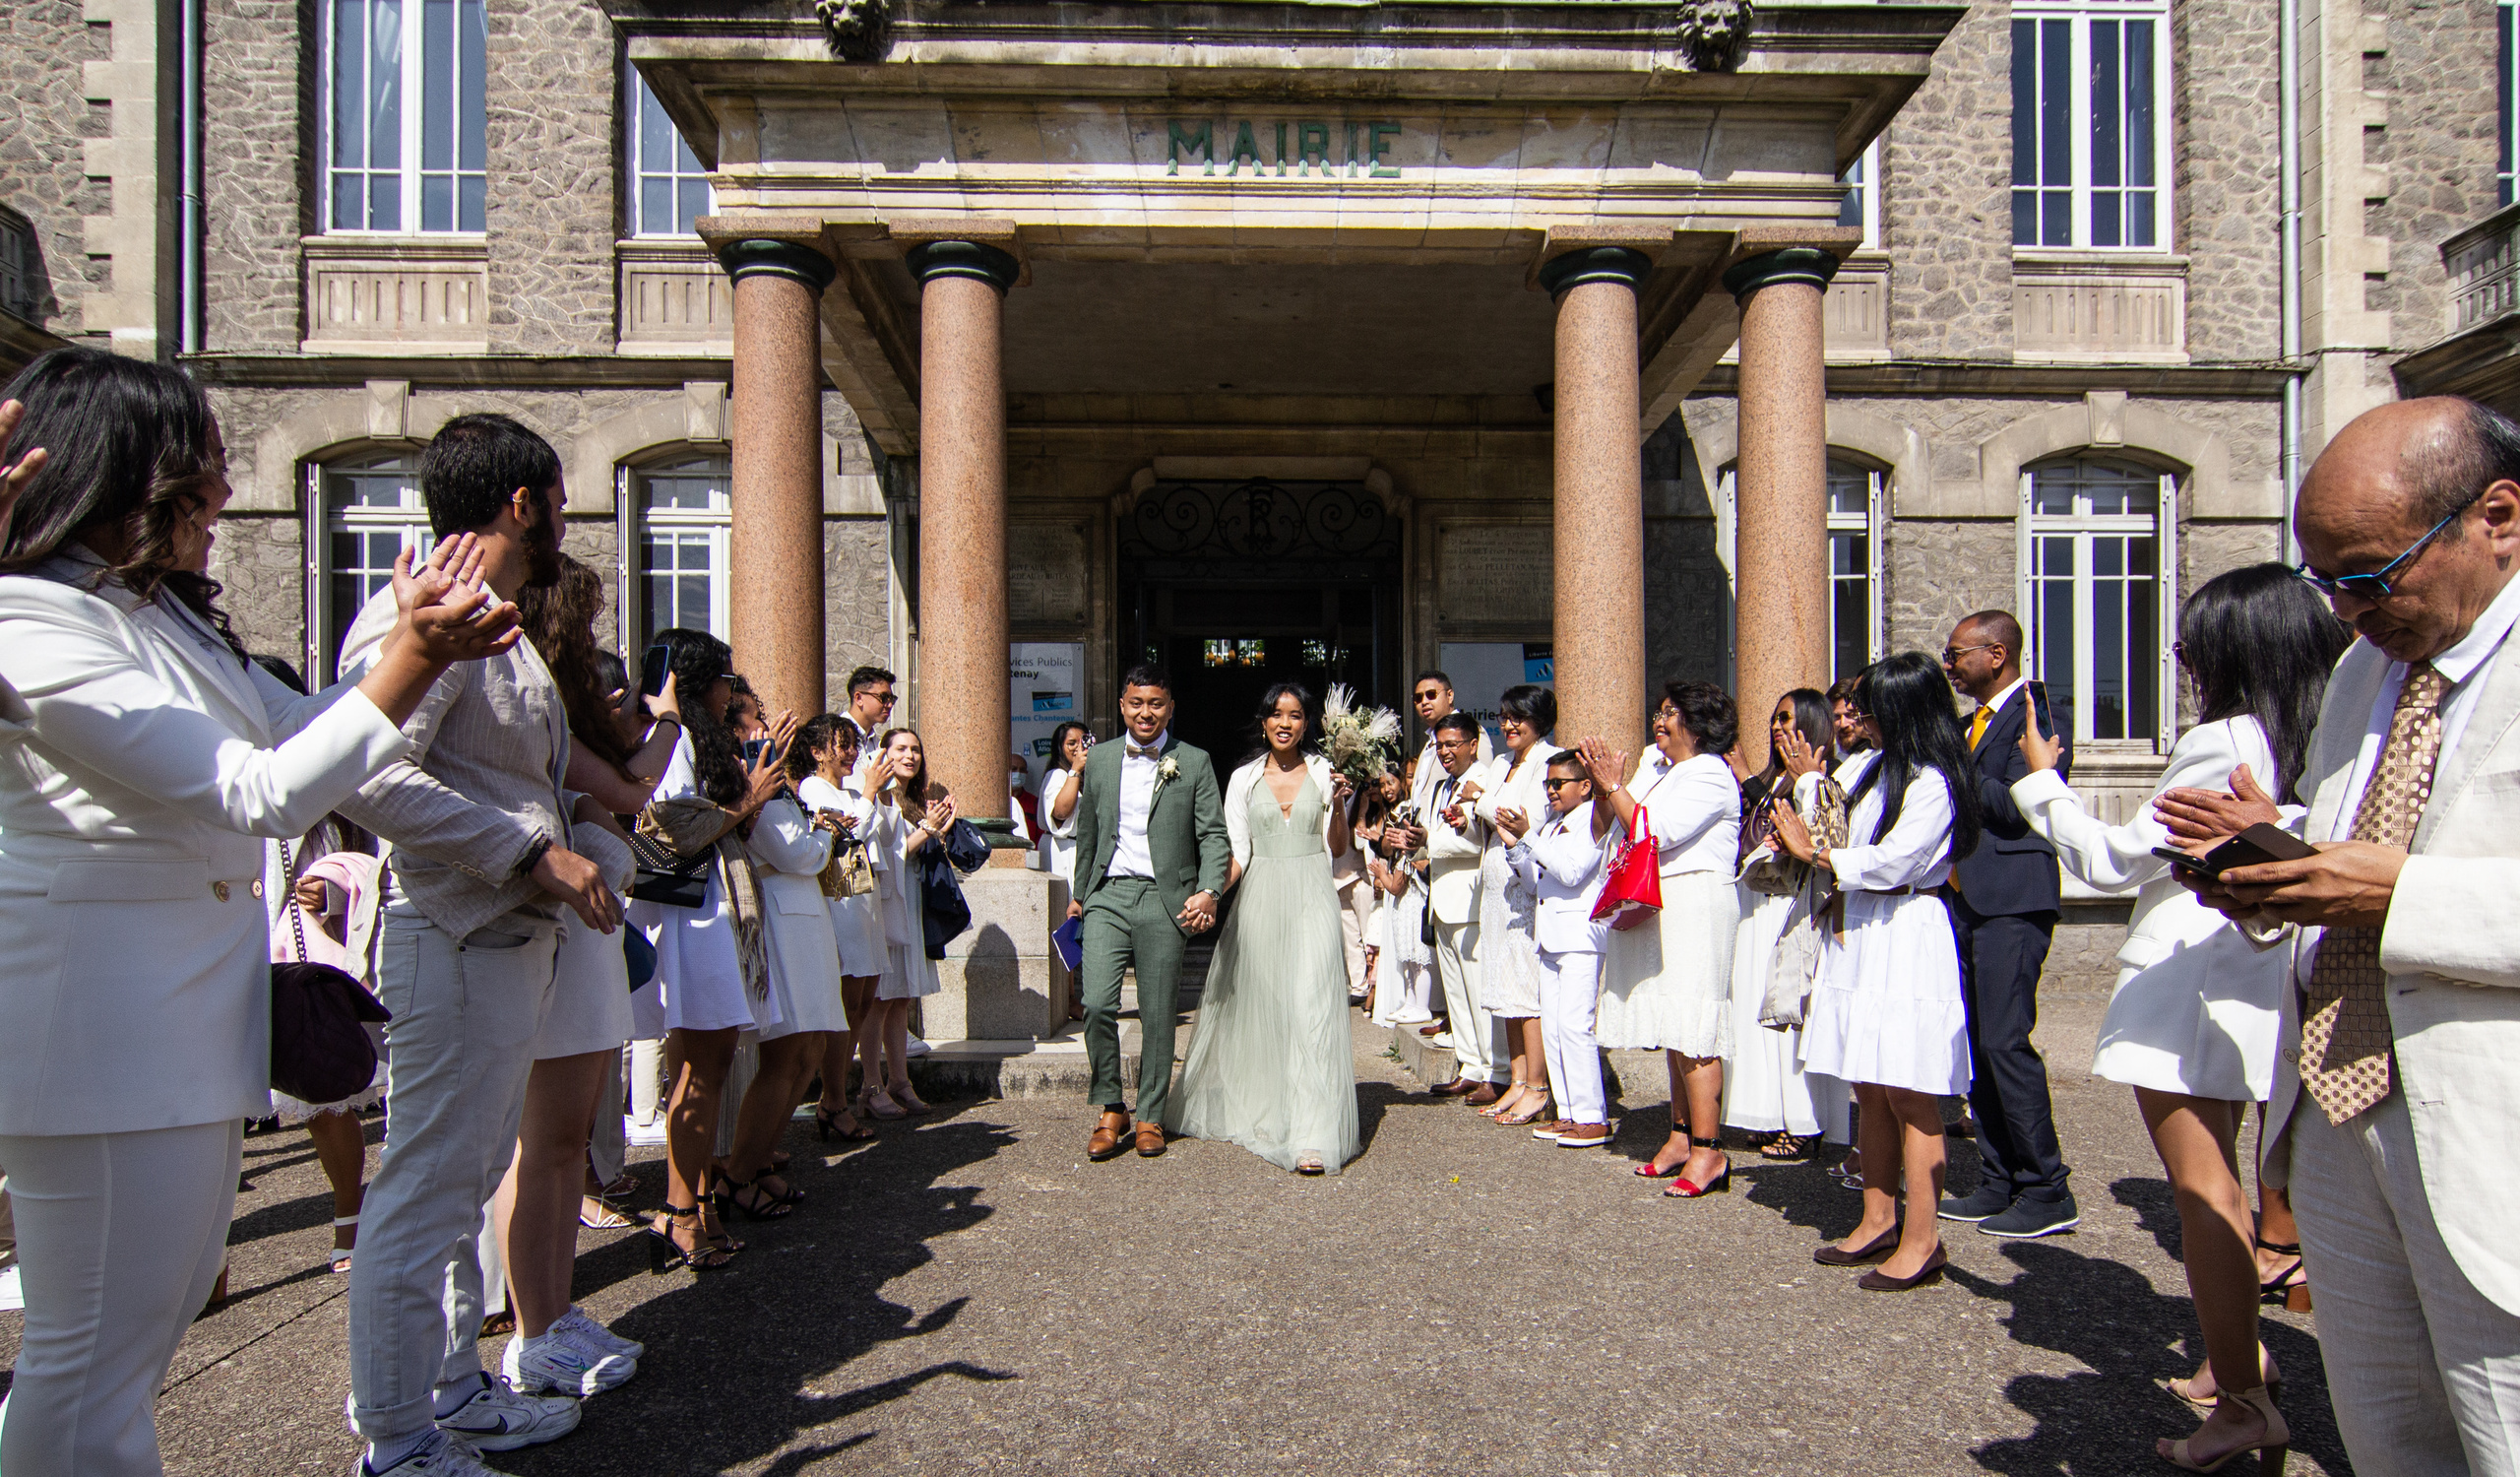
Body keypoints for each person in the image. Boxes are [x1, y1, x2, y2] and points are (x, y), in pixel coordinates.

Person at [0, 352, 518, 1477]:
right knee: (89, 1359)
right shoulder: (29, 616)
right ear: (120, 476)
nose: (225, 497)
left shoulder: (159, 618)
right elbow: (257, 790)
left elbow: (310, 729)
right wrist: (415, 655)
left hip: (173, 1028)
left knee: (153, 1315)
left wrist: (409, 654)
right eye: (202, 472)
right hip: (97, 1035)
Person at [2166, 397, 2520, 1477]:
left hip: (2485, 1136)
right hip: (2339, 1111)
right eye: (2324, 582)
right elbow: (2355, 835)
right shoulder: (2372, 667)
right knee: (2393, 1444)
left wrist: (2398, 897)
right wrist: (2272, 864)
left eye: (2368, 575)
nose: (2344, 612)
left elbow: (2399, 877)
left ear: (2496, 517)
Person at [329, 414, 642, 1475]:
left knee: (459, 1186)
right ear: (524, 501)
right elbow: (368, 773)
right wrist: (533, 856)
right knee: (423, 1192)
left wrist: (586, 834)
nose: (564, 519)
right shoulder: (421, 612)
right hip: (451, 935)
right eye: (557, 497)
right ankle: (396, 1430)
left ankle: (455, 1389)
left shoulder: (488, 615)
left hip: (501, 942)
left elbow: (503, 777)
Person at [2009, 562, 2348, 1468]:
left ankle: (2242, 1399)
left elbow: (2118, 860)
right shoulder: (2329, 728)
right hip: (2271, 974)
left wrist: (2046, 785)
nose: (2183, 658)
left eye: (2191, 643)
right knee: (2244, 1184)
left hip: (2192, 975)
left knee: (2206, 1193)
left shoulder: (2224, 736)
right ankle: (2230, 1356)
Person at [1771, 652, 1982, 1294]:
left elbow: (1894, 860)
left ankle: (1923, 1238)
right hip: (1861, 928)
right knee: (1871, 1087)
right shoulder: (1875, 771)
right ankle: (1877, 1217)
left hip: (1906, 930)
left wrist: (1820, 853)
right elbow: (1845, 837)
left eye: (1873, 705)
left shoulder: (1934, 782)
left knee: (1913, 1093)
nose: (1860, 716)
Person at [1168, 683, 1363, 1175]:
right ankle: (1274, 1111)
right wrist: (1211, 892)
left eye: (1295, 715)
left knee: (1312, 1008)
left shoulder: (1325, 771)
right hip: (1259, 902)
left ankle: (1313, 1133)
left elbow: (1337, 847)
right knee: (1270, 1008)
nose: (1285, 722)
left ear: (1306, 724)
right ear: (1263, 722)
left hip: (1313, 900)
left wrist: (1339, 802)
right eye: (1277, 714)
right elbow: (1239, 851)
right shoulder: (1242, 778)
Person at [1936, 610, 2079, 1240]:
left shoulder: (2037, 712)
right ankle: (1998, 1178)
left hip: (2013, 899)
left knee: (2005, 1040)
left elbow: (2024, 804)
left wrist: (1957, 770)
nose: (1949, 665)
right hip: (1967, 898)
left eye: (1957, 653)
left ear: (1996, 654)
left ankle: (2047, 1188)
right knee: (1979, 1045)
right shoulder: (1970, 727)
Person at [1585, 681, 1744, 1195]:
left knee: (1695, 1028)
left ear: (1699, 726)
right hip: (1664, 904)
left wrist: (1614, 787)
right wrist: (1611, 787)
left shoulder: (1711, 773)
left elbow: (1656, 830)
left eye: (1672, 712)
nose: (1660, 719)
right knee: (1674, 1026)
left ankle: (1709, 1150)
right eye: (1659, 710)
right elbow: (1621, 832)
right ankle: (1679, 1136)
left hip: (1697, 902)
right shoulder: (1665, 771)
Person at [1066, 665, 1230, 1161]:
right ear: (1122, 706)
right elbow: (1089, 833)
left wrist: (1209, 890)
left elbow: (1213, 835)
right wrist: (1080, 893)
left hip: (1165, 899)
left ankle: (1151, 1114)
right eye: (1136, 703)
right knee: (1096, 1003)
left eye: (1156, 703)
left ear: (1170, 707)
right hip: (1107, 896)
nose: (1145, 713)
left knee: (1159, 1012)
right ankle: (1111, 1106)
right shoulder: (1101, 759)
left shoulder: (1194, 761)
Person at [723, 724, 845, 1221]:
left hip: (807, 917)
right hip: (782, 916)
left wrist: (817, 837)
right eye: (752, 720)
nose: (763, 729)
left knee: (811, 1048)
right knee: (787, 1051)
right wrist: (824, 833)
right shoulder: (761, 792)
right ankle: (738, 1174)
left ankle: (763, 1158)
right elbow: (797, 853)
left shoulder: (781, 790)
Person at [1722, 688, 1840, 1161]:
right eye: (1773, 718)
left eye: (1787, 719)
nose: (1777, 727)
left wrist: (1750, 777)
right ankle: (1770, 1113)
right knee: (1757, 1013)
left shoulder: (1818, 779)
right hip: (1756, 903)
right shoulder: (1775, 779)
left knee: (1788, 1014)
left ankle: (1805, 1121)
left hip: (1789, 905)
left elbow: (1818, 836)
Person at [1498, 749, 1612, 1150]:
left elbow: (1571, 871)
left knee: (1575, 1026)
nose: (1550, 790)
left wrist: (1529, 836)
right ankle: (1567, 1112)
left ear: (1584, 786)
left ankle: (1592, 1115)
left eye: (1558, 783)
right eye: (1547, 783)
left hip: (1581, 936)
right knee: (1554, 1028)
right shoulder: (1551, 825)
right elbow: (1536, 883)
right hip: (1550, 937)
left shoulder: (1595, 822)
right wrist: (1515, 847)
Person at [1463, 685, 1561, 1125]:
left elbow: (1522, 818)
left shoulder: (1548, 760)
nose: (1507, 725)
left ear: (1539, 719)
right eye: (1503, 717)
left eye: (1517, 717)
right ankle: (1517, 1081)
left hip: (1525, 886)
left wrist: (1478, 800)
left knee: (1526, 988)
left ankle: (1538, 1087)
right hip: (1495, 886)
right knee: (1503, 984)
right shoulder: (1501, 762)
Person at [793, 715, 885, 1143]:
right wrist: (867, 793)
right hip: (839, 903)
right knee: (846, 1006)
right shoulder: (812, 789)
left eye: (852, 745)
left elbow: (868, 827)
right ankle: (833, 1099)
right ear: (817, 752)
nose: (850, 753)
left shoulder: (847, 791)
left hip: (864, 900)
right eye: (841, 745)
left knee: (864, 1000)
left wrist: (865, 797)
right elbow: (847, 834)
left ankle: (838, 1095)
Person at [865, 727, 952, 1117]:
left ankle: (899, 1079)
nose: (910, 756)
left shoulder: (914, 799)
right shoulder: (876, 794)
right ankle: (870, 1085)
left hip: (910, 896)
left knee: (900, 996)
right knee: (878, 998)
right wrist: (928, 830)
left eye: (916, 749)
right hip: (884, 900)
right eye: (901, 748)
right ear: (884, 753)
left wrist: (941, 827)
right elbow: (887, 852)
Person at [1418, 716, 1496, 1093]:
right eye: (1440, 745)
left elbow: (1479, 842)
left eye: (1453, 744)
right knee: (1456, 992)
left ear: (1472, 744)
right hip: (1442, 898)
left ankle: (1494, 1069)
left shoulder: (1486, 780)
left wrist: (1429, 843)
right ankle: (1470, 1067)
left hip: (1470, 900)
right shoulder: (1441, 786)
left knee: (1478, 989)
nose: (1446, 752)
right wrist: (1416, 839)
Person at [1035, 719, 1092, 1022]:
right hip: (1062, 852)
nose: (1078, 748)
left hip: (1080, 850)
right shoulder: (1060, 775)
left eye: (1083, 742)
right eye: (1071, 743)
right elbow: (1060, 812)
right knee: (1067, 924)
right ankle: (1069, 997)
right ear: (1060, 748)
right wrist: (1075, 771)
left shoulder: (1086, 777)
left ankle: (1077, 993)